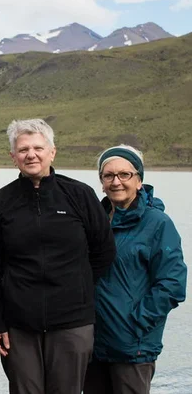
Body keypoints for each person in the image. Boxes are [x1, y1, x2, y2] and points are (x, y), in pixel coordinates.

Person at [0, 118, 117, 394]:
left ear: (52, 152)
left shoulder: (80, 195)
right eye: (23, 149)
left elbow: (104, 250)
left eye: (38, 148)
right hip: (18, 326)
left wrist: (77, 284)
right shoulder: (1, 203)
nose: (31, 154)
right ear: (13, 157)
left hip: (72, 323)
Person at [84, 145, 187, 394]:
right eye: (108, 175)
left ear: (139, 180)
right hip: (92, 345)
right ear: (101, 182)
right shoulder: (92, 221)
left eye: (124, 175)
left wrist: (136, 323)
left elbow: (172, 284)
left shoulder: (157, 224)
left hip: (132, 348)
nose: (116, 182)